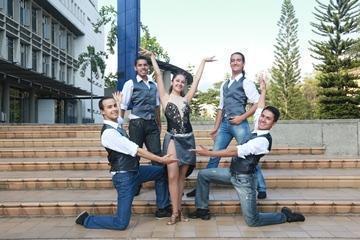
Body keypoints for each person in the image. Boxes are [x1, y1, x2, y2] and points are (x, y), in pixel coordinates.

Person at [188, 78, 305, 226]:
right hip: (232, 173)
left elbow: (234, 151)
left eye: (267, 119)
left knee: (252, 221)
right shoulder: (258, 127)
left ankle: (284, 216)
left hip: (245, 181)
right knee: (204, 175)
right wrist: (263, 90)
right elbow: (260, 107)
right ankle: (202, 209)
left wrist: (208, 153)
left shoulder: (263, 141)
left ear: (273, 124)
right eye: (263, 116)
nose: (262, 119)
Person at [75, 95, 177, 230]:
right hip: (124, 179)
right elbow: (137, 150)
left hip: (135, 171)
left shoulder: (116, 125)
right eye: (109, 107)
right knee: (121, 223)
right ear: (102, 112)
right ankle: (87, 220)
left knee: (161, 172)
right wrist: (160, 159)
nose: (114, 109)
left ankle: (163, 207)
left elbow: (119, 118)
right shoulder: (109, 134)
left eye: (114, 106)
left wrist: (118, 103)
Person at [140, 48, 215, 225]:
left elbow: (196, 80)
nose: (180, 83)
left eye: (182, 82)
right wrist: (152, 58)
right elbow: (158, 75)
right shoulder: (165, 97)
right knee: (172, 176)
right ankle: (174, 212)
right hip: (172, 139)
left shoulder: (187, 98)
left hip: (188, 139)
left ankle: (179, 211)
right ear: (172, 82)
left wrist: (203, 62)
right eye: (177, 81)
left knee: (182, 177)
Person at [187, 52, 267, 199]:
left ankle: (261, 187)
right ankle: (201, 187)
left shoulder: (246, 82)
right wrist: (216, 128)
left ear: (243, 64)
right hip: (225, 124)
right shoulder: (224, 84)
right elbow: (220, 107)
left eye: (238, 60)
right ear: (230, 63)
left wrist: (241, 117)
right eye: (232, 60)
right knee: (214, 155)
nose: (235, 62)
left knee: (249, 155)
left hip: (239, 124)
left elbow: (257, 103)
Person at [120, 55, 165, 200]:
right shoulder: (130, 84)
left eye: (145, 65)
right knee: (134, 155)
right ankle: (135, 184)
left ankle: (163, 187)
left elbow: (157, 106)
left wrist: (159, 123)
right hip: (137, 123)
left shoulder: (154, 84)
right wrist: (120, 124)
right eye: (140, 65)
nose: (143, 67)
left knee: (157, 155)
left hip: (152, 123)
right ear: (135, 68)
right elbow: (123, 105)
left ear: (148, 67)